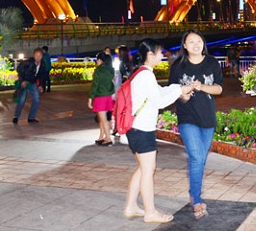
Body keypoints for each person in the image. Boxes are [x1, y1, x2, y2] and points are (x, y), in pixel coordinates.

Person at [125, 38, 194, 224]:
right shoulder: (145, 75)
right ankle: (150, 212)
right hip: (141, 129)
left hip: (136, 128)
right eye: (159, 52)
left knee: (142, 168)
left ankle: (131, 206)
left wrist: (179, 88)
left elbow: (160, 92)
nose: (162, 55)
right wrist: (180, 92)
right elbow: (160, 102)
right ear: (150, 55)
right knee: (148, 170)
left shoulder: (141, 73)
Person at [169, 30, 224, 219]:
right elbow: (173, 91)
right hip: (187, 118)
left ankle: (194, 193)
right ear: (184, 45)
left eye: (199, 40)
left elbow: (219, 88)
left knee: (200, 159)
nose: (195, 44)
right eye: (191, 41)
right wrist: (183, 95)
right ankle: (197, 199)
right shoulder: (178, 66)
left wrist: (201, 87)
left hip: (208, 119)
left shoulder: (212, 63)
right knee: (196, 157)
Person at [88, 52, 115, 146]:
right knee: (104, 118)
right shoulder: (111, 70)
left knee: (103, 119)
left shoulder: (98, 71)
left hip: (100, 97)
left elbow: (95, 85)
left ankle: (108, 138)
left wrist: (90, 98)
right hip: (108, 96)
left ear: (100, 60)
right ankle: (103, 137)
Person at [13, 48, 46, 124]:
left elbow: (41, 76)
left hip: (33, 83)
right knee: (21, 100)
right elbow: (19, 70)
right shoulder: (28, 63)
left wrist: (40, 85)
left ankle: (31, 118)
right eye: (36, 55)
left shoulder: (42, 65)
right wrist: (23, 81)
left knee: (36, 100)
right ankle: (16, 116)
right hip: (25, 82)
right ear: (34, 55)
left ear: (42, 56)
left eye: (40, 55)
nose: (38, 57)